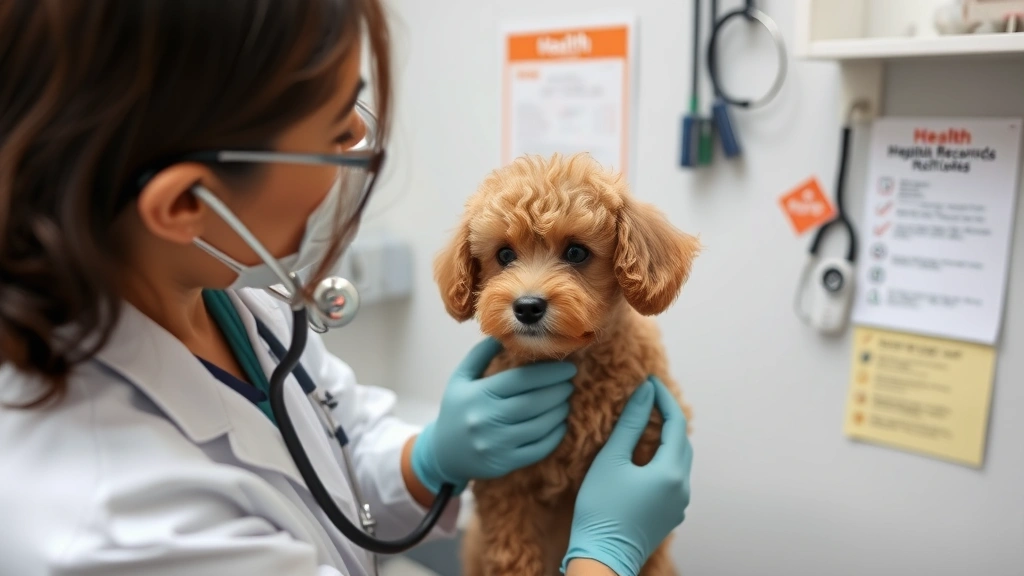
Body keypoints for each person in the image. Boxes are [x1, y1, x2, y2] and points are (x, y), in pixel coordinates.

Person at [0, 2, 693, 576]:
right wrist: (603, 558)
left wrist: (431, 458)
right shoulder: (117, 526)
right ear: (185, 204)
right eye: (336, 127)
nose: (359, 138)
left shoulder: (234, 300)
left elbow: (338, 455)